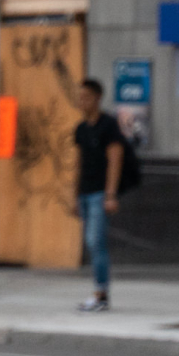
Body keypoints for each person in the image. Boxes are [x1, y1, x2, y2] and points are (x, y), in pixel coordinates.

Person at [70, 77, 128, 313]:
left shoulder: (109, 126)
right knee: (92, 243)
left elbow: (115, 159)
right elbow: (78, 162)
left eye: (86, 97)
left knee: (96, 242)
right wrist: (74, 193)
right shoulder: (81, 129)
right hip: (84, 192)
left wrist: (111, 194)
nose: (82, 102)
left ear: (97, 98)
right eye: (80, 97)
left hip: (100, 194)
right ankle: (99, 292)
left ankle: (101, 294)